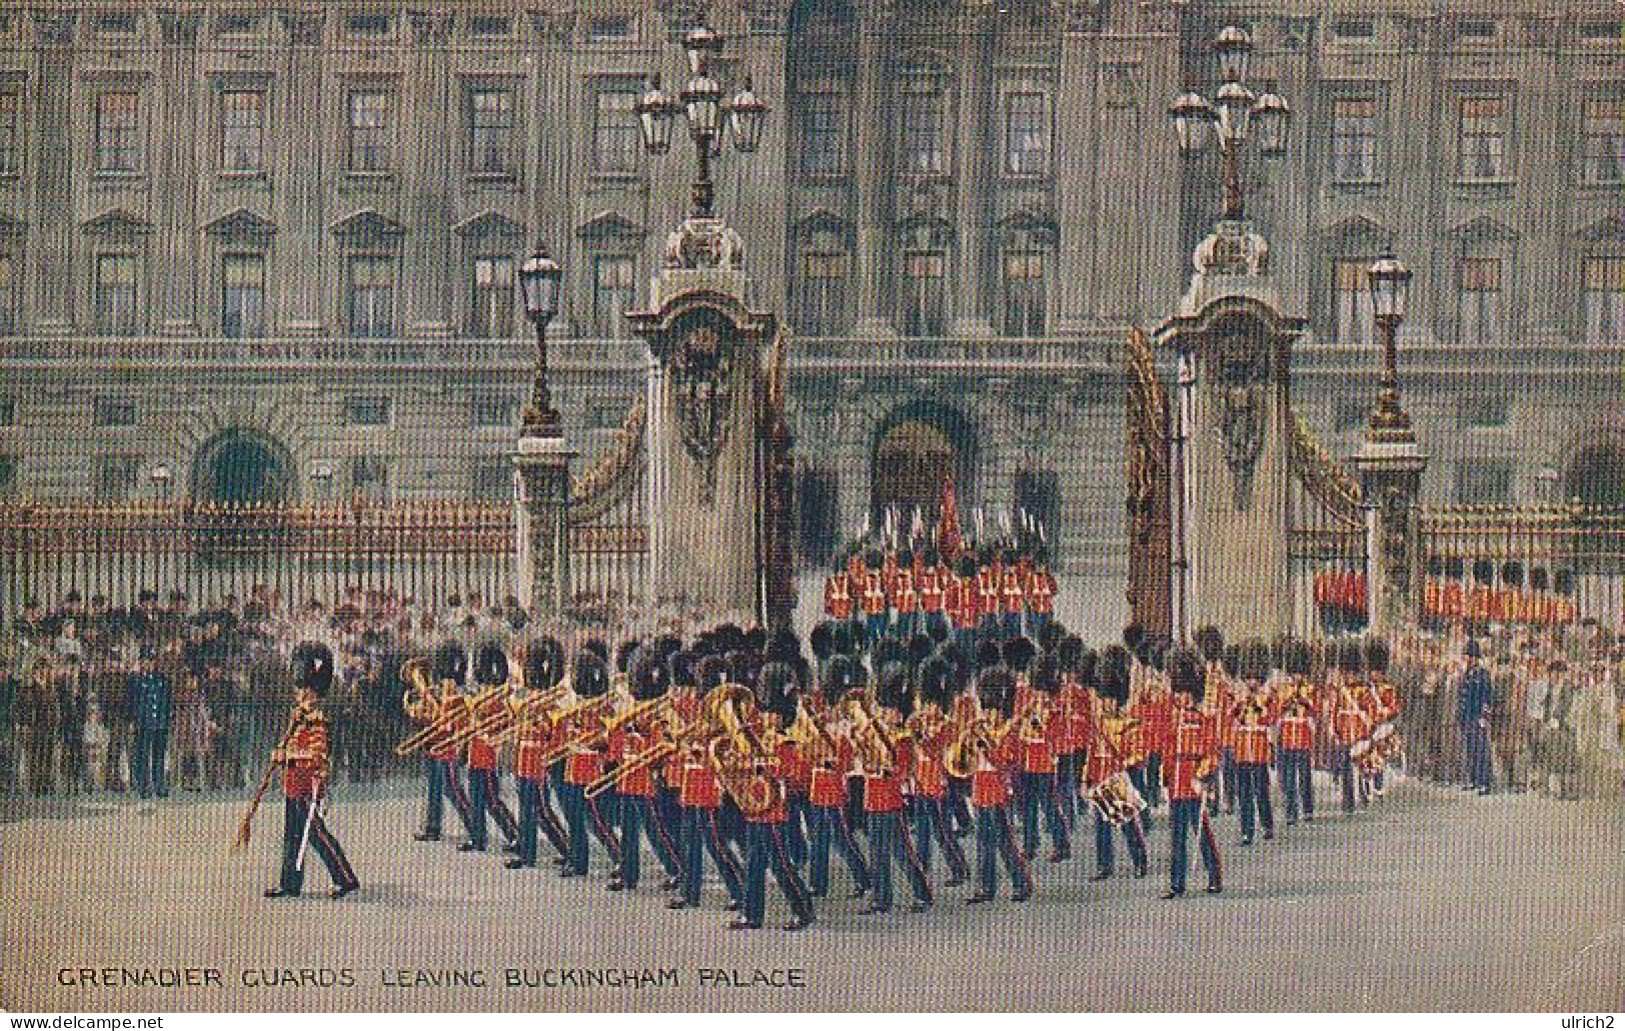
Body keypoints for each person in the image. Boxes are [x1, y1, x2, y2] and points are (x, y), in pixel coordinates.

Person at [264, 642, 360, 900]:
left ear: (311, 691)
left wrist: (287, 756)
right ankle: (290, 884)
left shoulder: (317, 717)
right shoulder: (300, 715)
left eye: (302, 689)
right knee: (292, 836)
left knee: (316, 835)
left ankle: (346, 879)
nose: (298, 694)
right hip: (294, 783)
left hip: (308, 783)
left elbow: (316, 754)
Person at [1163, 646, 1222, 900]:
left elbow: (1212, 751)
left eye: (1188, 693)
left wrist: (1203, 775)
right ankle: (1177, 883)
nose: (1184, 698)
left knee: (1201, 831)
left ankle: (1214, 874)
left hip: (1193, 778)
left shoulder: (1202, 718)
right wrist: (1166, 778)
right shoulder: (1174, 718)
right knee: (1176, 835)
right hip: (1176, 780)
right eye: (1181, 693)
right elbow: (1167, 749)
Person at [124, 647, 173, 802]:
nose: (148, 664)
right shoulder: (135, 680)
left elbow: (167, 701)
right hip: (143, 722)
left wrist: (167, 719)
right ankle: (144, 786)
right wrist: (131, 720)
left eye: (151, 661)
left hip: (160, 722)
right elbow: (130, 703)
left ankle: (159, 785)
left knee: (159, 755)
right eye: (145, 660)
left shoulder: (162, 680)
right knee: (142, 755)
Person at [1459, 638, 1495, 795]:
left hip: (1477, 717)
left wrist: (1484, 717)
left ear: (1474, 657)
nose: (1466, 659)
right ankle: (1474, 779)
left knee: (1482, 750)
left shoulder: (1483, 674)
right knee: (1471, 750)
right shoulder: (1467, 673)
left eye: (1468, 656)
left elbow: (1487, 698)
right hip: (1467, 717)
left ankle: (1485, 782)